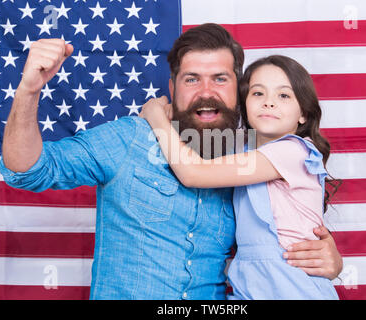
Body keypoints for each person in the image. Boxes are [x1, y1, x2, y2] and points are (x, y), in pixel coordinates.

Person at [0, 23, 342, 299]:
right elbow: (28, 169)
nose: (206, 91)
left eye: (220, 79)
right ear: (172, 87)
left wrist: (328, 258)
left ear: (237, 89)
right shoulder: (129, 138)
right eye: (192, 79)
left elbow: (282, 226)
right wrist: (29, 90)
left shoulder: (247, 158)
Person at [140, 54, 339, 299]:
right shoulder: (241, 147)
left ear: (303, 115)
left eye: (284, 95)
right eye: (258, 93)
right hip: (249, 286)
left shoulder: (294, 151)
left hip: (292, 284)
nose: (269, 103)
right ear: (244, 105)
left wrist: (155, 116)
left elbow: (193, 172)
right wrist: (176, 111)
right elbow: (193, 141)